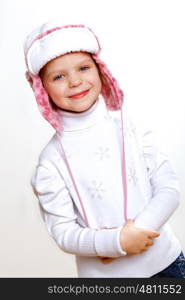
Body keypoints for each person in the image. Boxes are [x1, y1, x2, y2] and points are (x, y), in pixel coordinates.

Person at [24, 20, 185, 278]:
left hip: (166, 265)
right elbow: (63, 232)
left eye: (83, 68)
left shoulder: (131, 128)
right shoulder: (50, 162)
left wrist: (133, 235)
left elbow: (169, 188)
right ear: (42, 89)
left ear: (100, 71)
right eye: (58, 76)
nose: (75, 81)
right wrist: (116, 242)